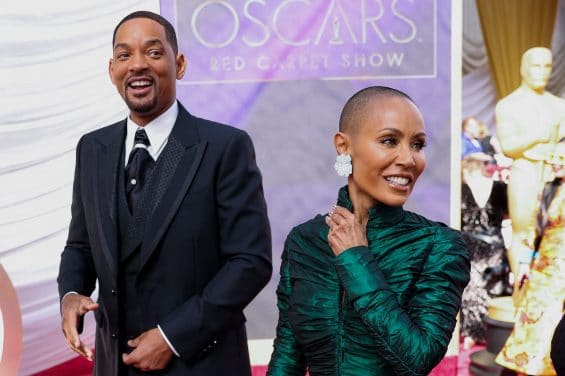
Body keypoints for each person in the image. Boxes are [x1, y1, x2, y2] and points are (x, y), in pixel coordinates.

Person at [57, 11, 272, 376]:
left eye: (153, 53)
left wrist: (172, 337)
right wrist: (71, 294)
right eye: (124, 56)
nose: (137, 65)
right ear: (112, 70)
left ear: (180, 64)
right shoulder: (92, 148)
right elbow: (81, 245)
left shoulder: (224, 147)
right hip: (114, 367)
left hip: (201, 364)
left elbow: (250, 262)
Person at [267, 86, 470, 375]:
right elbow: (287, 355)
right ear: (343, 146)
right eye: (389, 141)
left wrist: (356, 260)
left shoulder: (439, 246)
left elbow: (419, 359)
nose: (409, 159)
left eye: (417, 144)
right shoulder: (304, 241)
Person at [496, 139, 565, 375]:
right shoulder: (548, 191)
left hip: (563, 278)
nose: (555, 163)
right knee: (532, 325)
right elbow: (533, 231)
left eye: (561, 158)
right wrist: (524, 263)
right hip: (543, 272)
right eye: (553, 157)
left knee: (556, 328)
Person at [495, 47, 565, 280]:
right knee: (522, 232)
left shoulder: (559, 105)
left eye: (547, 66)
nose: (542, 72)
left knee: (556, 232)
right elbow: (508, 146)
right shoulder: (508, 104)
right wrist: (537, 135)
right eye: (536, 65)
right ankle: (521, 294)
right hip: (525, 171)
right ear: (524, 69)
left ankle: (549, 292)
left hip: (554, 174)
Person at [459, 157, 510, 349]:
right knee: (492, 288)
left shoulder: (460, 190)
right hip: (493, 246)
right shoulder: (500, 187)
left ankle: (472, 334)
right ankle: (494, 332)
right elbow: (508, 214)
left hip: (472, 246)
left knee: (472, 291)